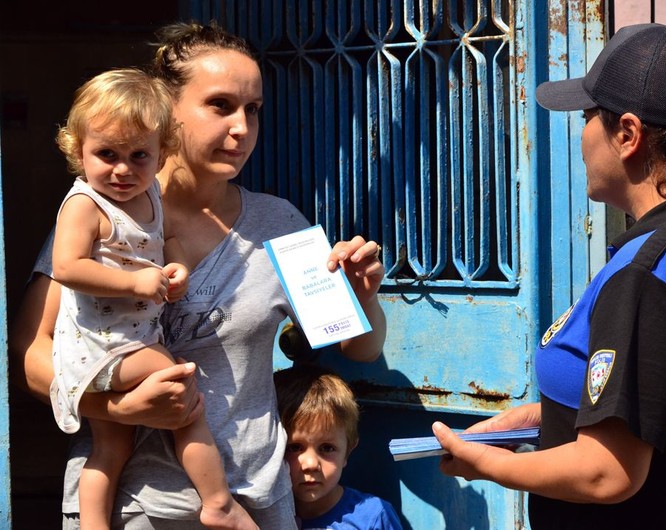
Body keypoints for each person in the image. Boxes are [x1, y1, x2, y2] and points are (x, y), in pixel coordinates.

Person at [9, 20, 387, 529]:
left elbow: (358, 348)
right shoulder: (106, 214)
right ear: (167, 112)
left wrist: (364, 299)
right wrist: (120, 409)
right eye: (220, 105)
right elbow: (32, 354)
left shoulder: (278, 224)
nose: (241, 127)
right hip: (134, 505)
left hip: (255, 500)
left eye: (252, 110)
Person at [432, 23, 666, 529]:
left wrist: (491, 465)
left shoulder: (653, 273)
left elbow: (608, 472)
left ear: (627, 135)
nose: (580, 136)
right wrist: (536, 420)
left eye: (585, 117)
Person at [49, 67, 257, 530]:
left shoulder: (150, 195)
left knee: (111, 447)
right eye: (106, 154)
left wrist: (176, 267)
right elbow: (67, 267)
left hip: (131, 337)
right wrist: (135, 284)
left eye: (139, 155)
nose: (122, 169)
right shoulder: (85, 204)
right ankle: (218, 502)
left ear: (161, 153)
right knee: (183, 393)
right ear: (77, 150)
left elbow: (165, 243)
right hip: (101, 347)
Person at [274, 365, 402, 530]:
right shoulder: (259, 517)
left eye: (327, 448)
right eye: (294, 447)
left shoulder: (374, 518)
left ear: (348, 451)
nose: (311, 464)